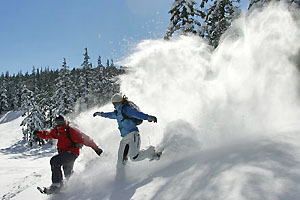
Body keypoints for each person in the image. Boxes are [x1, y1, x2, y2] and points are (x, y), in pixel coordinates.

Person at [34, 115, 103, 192]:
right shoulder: (57, 130)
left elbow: (86, 139)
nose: (59, 125)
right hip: (64, 153)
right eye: (57, 123)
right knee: (67, 171)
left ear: (64, 122)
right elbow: (49, 134)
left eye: (60, 123)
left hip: (72, 153)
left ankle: (57, 185)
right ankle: (76, 184)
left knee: (55, 161)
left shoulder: (71, 130)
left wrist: (96, 148)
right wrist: (39, 133)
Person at [93, 94, 159, 174]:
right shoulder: (117, 112)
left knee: (134, 157)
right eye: (113, 103)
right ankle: (120, 179)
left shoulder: (127, 109)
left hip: (133, 135)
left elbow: (137, 114)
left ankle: (150, 151)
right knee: (121, 161)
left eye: (115, 103)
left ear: (119, 102)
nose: (114, 105)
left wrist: (148, 117)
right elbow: (109, 115)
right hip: (124, 139)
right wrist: (100, 114)